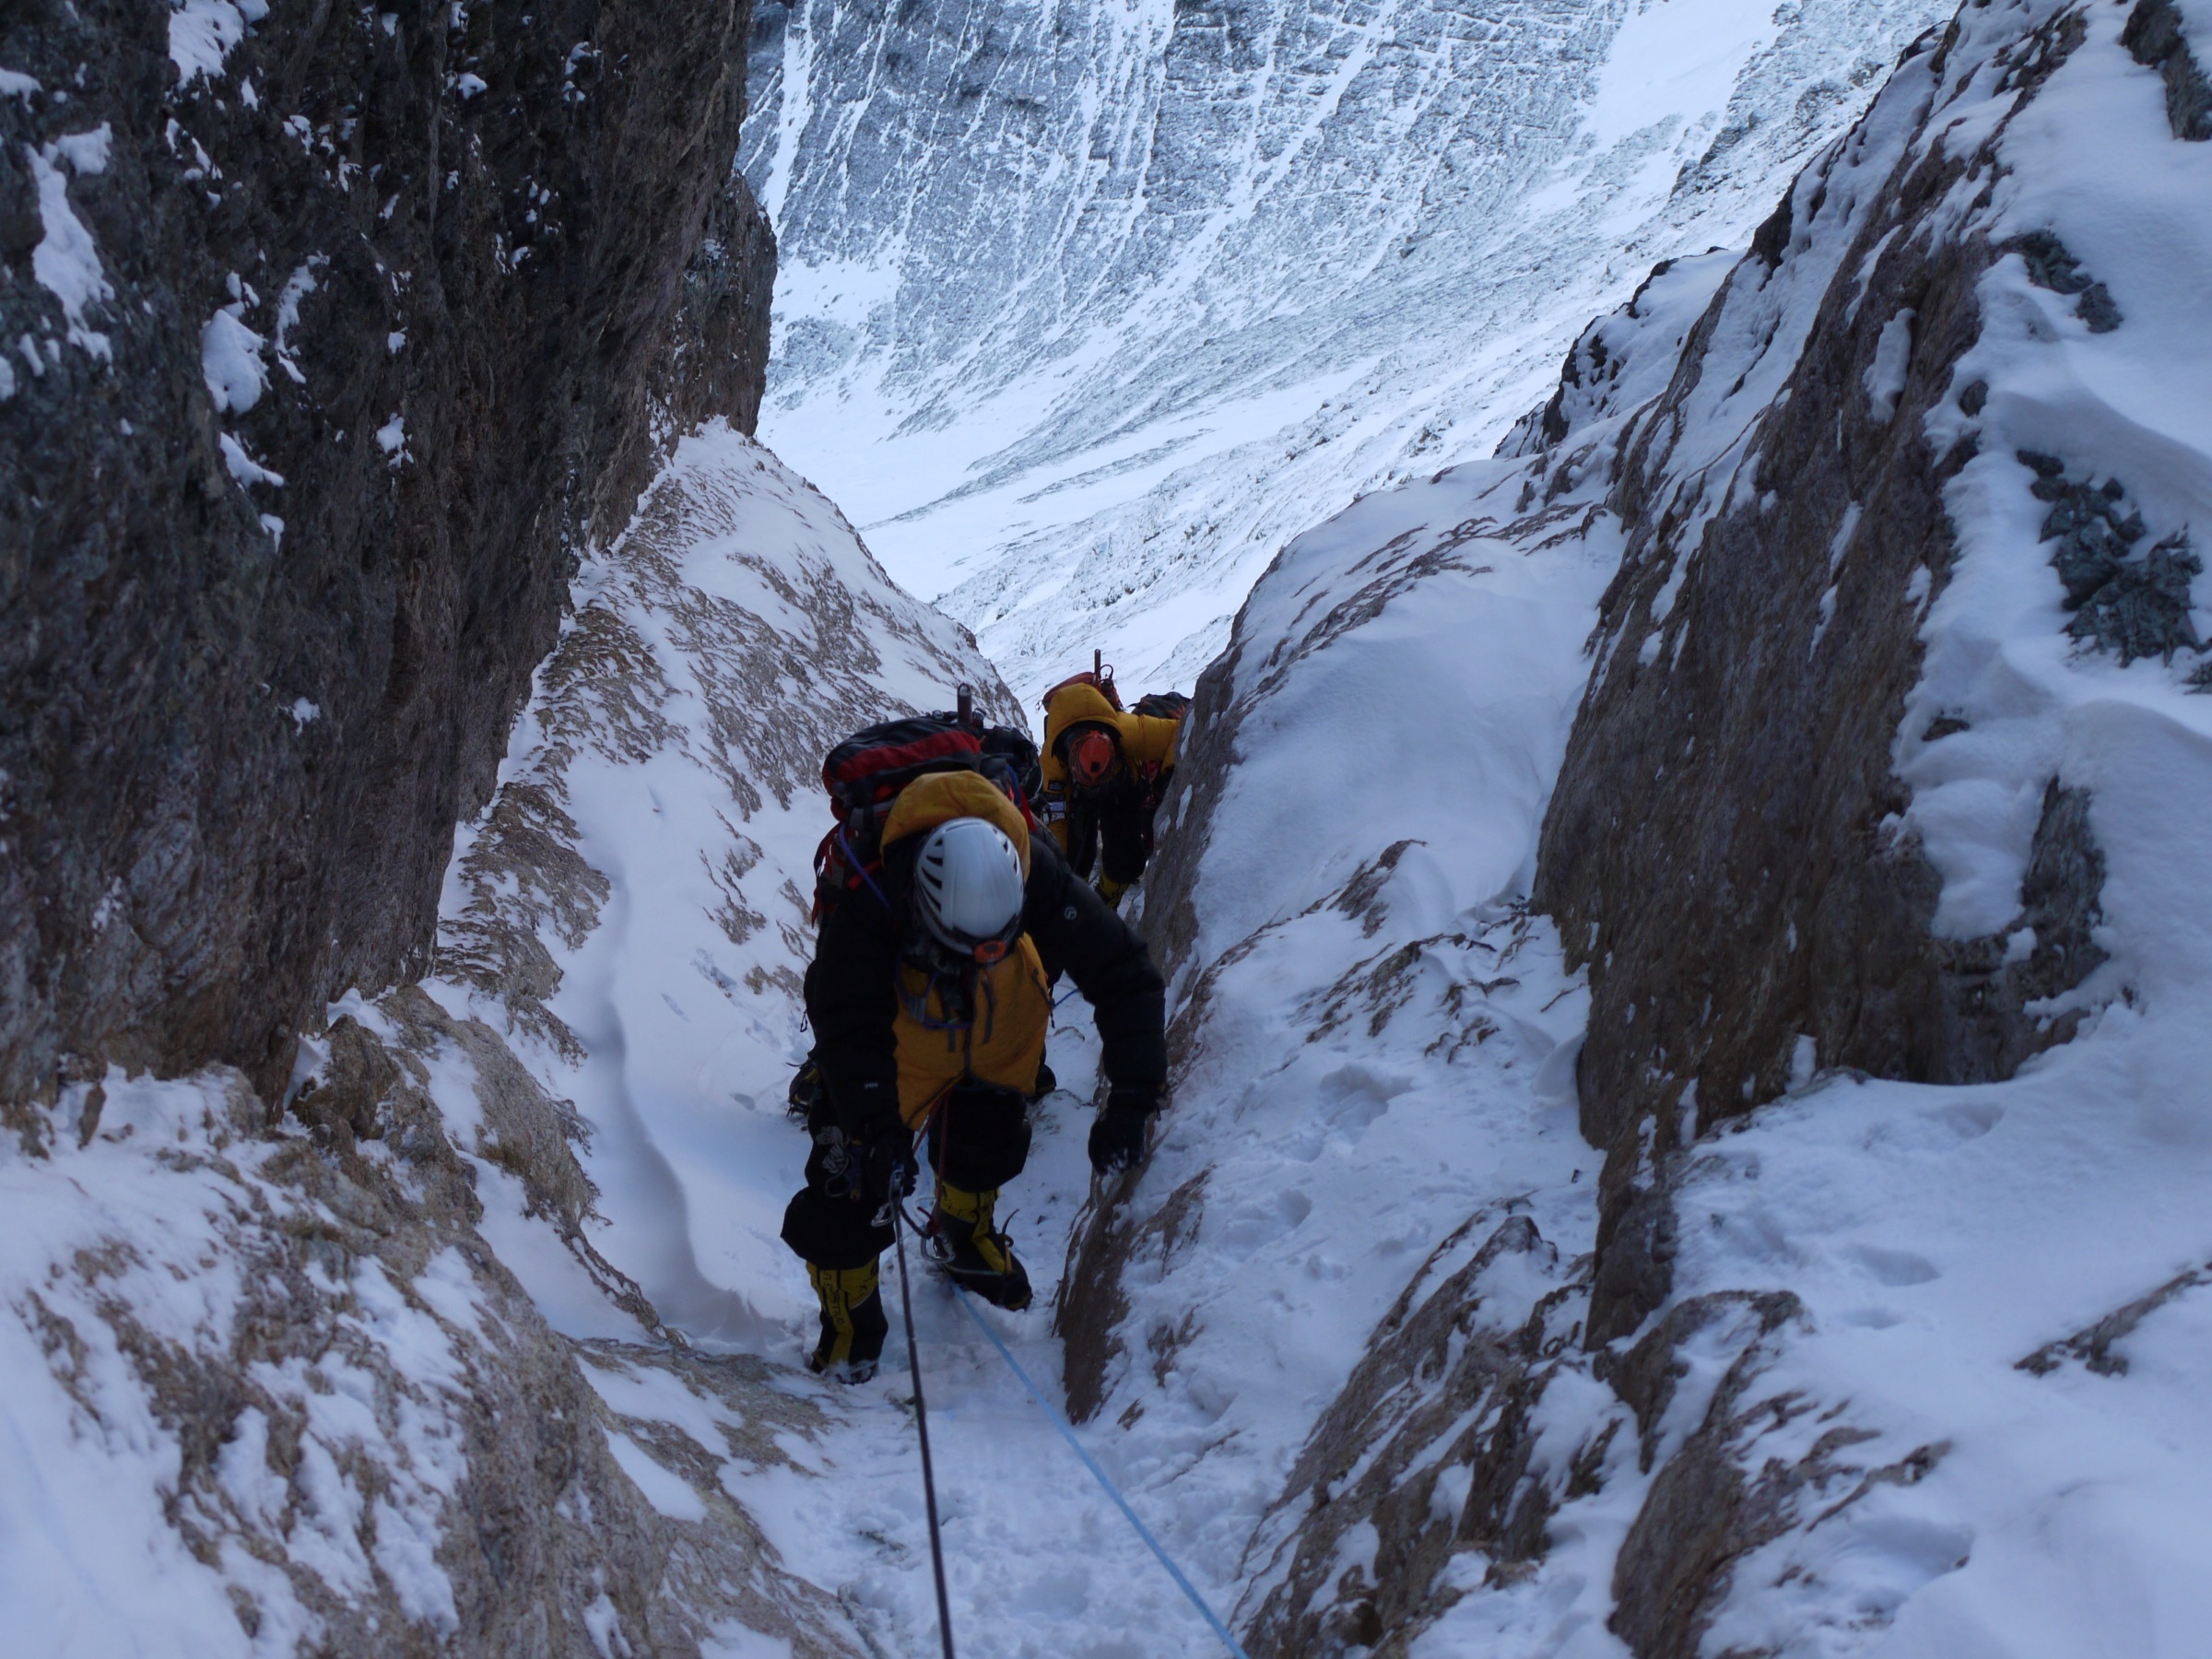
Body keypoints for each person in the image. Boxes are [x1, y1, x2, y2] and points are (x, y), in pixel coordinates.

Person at [780, 768, 1167, 1381]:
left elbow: (1125, 974)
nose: (978, 957)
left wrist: (1132, 1097)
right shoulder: (870, 902)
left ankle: (966, 1240)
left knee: (986, 1140)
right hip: (898, 1039)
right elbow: (848, 1024)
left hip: (1001, 1026)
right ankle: (848, 1328)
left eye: (995, 942)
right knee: (848, 1185)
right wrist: (876, 1128)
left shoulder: (1039, 875)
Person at [1040, 674, 1187, 908]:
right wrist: (1059, 865)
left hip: (1121, 785)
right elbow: (1058, 816)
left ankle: (1106, 898)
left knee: (1125, 855)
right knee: (1074, 849)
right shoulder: (1054, 760)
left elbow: (1180, 731)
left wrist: (1167, 774)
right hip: (1085, 791)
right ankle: (1074, 895)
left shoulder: (1128, 732)